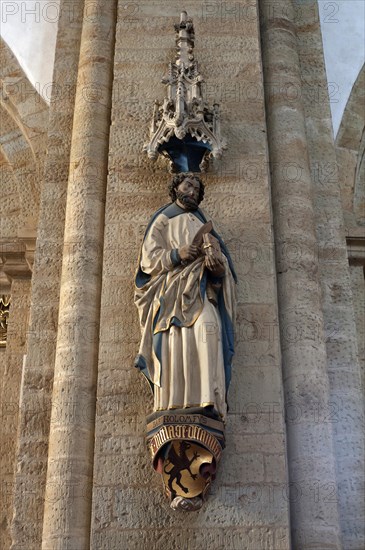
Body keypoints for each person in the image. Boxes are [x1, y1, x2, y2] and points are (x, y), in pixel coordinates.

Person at [134, 173, 236, 421]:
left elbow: (223, 271)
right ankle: (171, 403)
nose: (192, 191)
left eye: (196, 188)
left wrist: (216, 266)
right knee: (173, 341)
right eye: (187, 185)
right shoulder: (163, 221)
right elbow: (148, 261)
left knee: (209, 330)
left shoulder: (207, 229)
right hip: (170, 294)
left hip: (201, 290)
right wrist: (178, 253)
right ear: (176, 188)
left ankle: (209, 400)